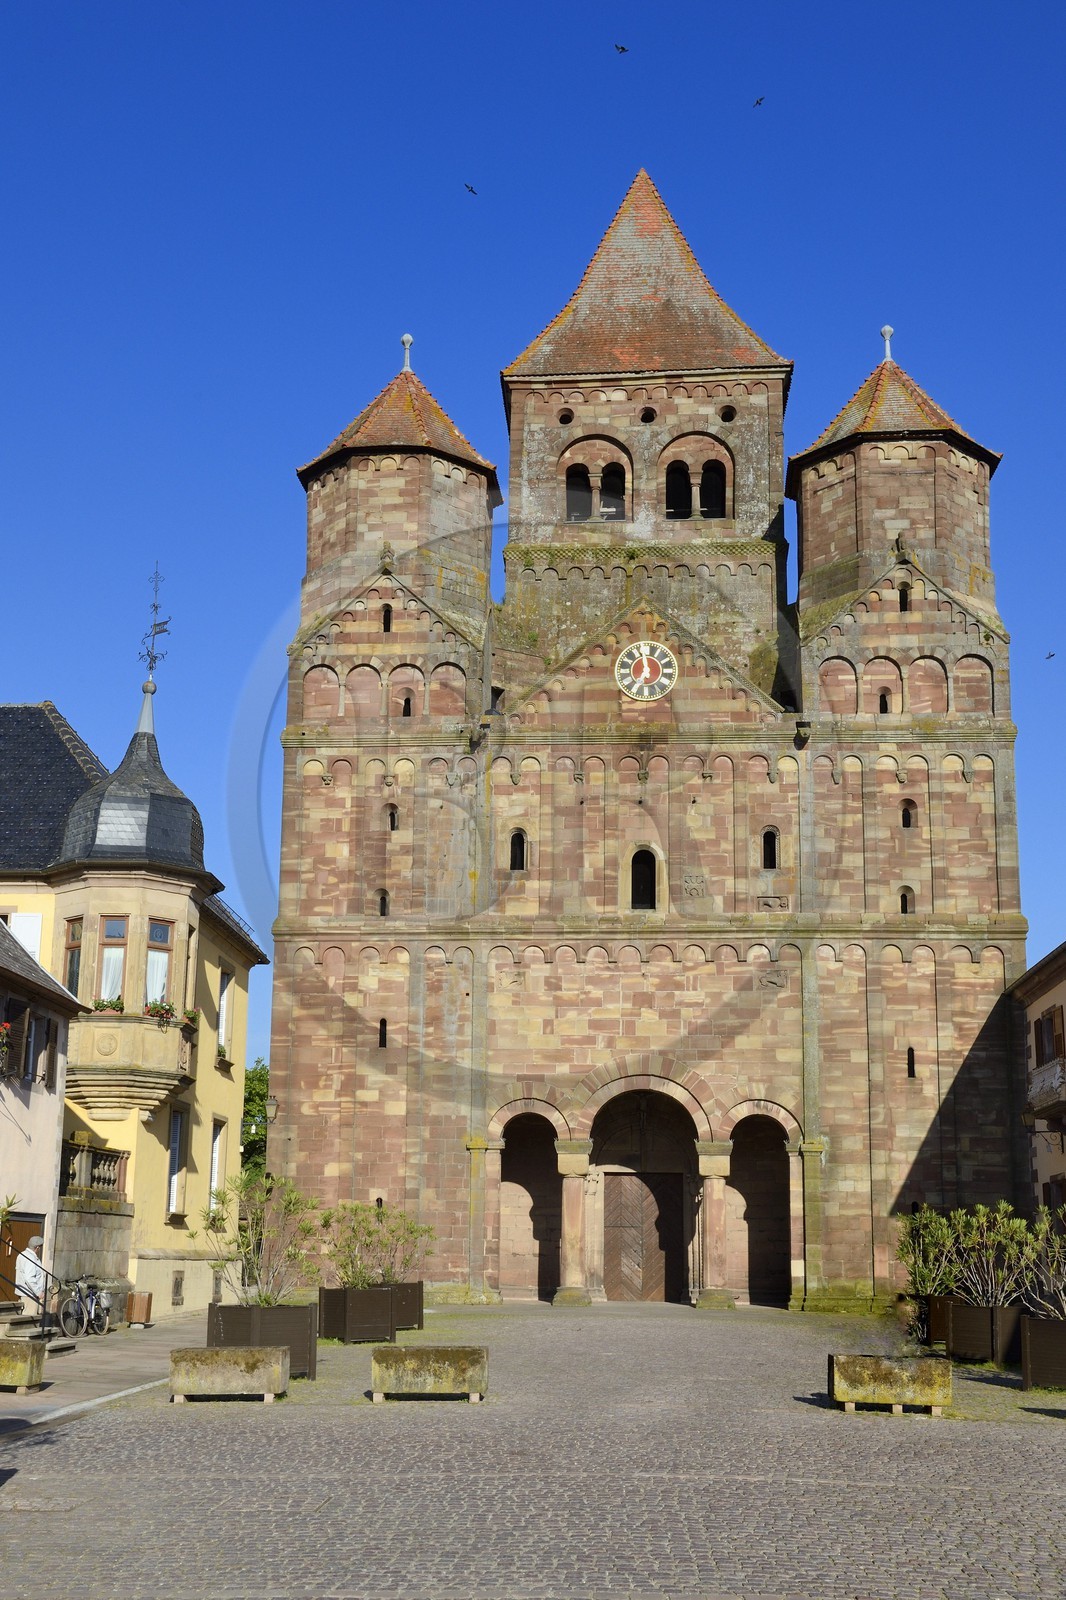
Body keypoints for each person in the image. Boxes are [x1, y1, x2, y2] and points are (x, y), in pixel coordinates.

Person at [14, 1235, 45, 1310]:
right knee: (30, 1315)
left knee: (25, 1315)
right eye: (40, 1247)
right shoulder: (31, 1258)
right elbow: (29, 1278)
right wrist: (38, 1292)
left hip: (23, 1292)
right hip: (30, 1294)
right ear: (37, 1247)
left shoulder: (22, 1254)